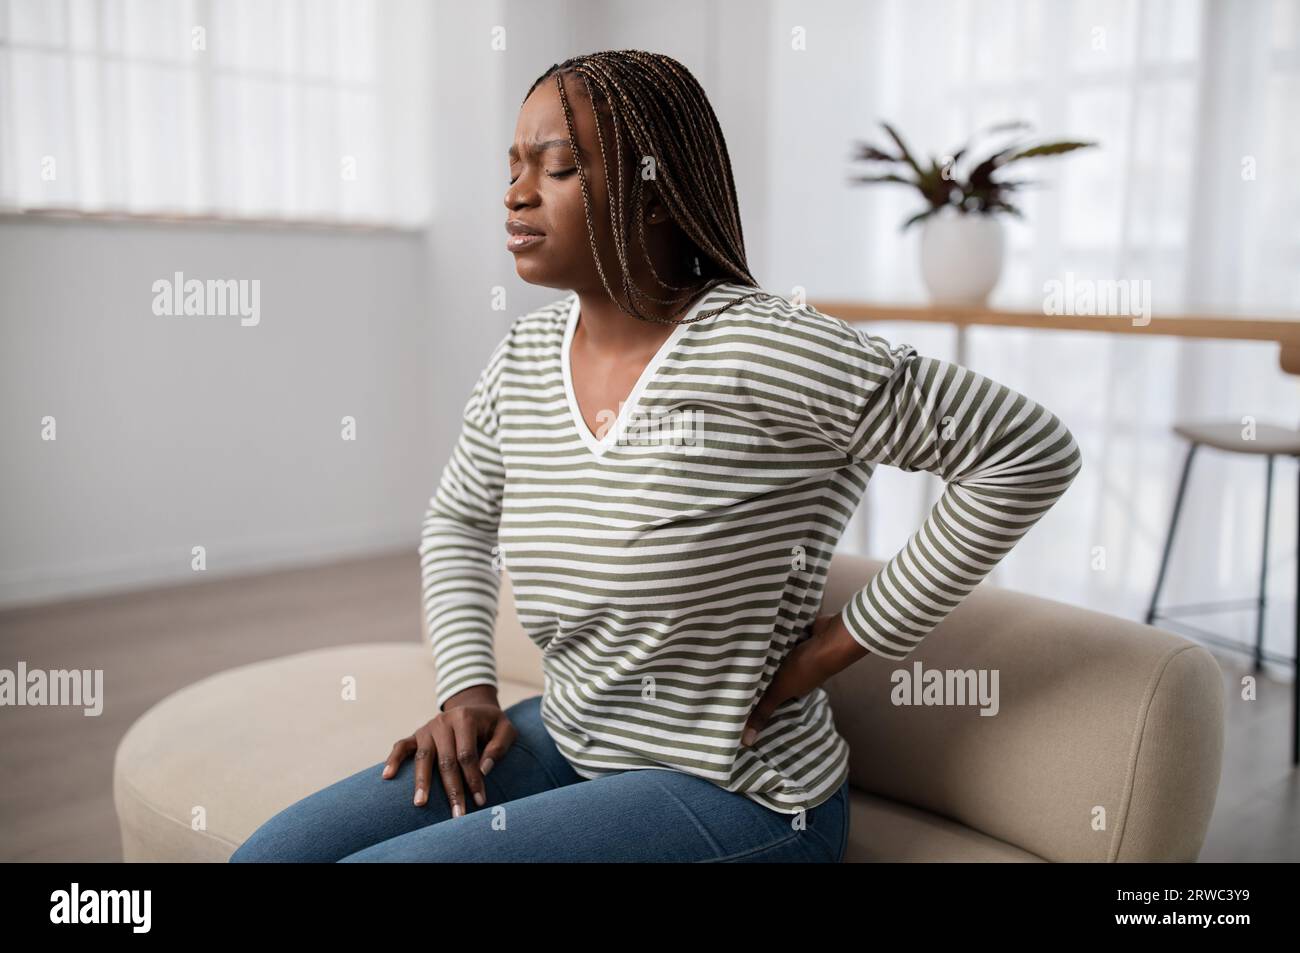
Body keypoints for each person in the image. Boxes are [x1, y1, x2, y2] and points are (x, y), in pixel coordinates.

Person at [230, 50, 1082, 863]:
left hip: (737, 788)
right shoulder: (522, 358)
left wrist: (831, 648)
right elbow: (458, 517)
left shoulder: (770, 347)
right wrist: (467, 688)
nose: (516, 194)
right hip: (567, 736)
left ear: (656, 196)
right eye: (514, 166)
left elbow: (1026, 452)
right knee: (267, 856)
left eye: (557, 170)